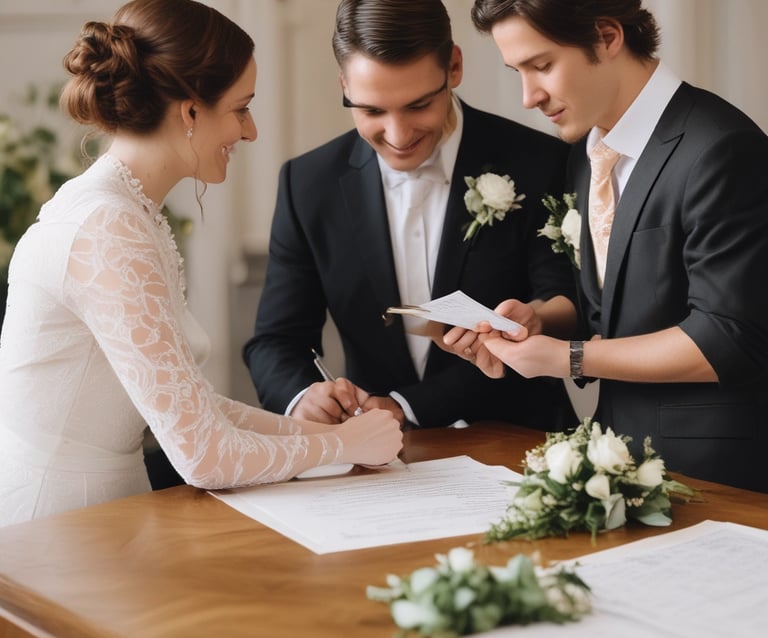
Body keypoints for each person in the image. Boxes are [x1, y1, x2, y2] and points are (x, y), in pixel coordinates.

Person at [0, 0, 402, 528]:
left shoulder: (129, 213)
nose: (251, 131)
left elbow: (197, 408)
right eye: (241, 108)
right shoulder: (106, 227)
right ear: (190, 111)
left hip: (107, 505)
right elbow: (204, 455)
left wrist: (328, 437)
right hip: (57, 520)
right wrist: (339, 445)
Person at [444, 0, 768, 492]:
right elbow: (618, 305)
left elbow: (726, 338)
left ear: (608, 36)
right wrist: (537, 320)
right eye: (517, 71)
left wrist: (566, 357)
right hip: (619, 462)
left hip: (718, 475)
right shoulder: (585, 156)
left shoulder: (720, 148)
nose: (529, 96)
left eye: (542, 65)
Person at [242, 0, 578, 431]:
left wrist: (536, 315)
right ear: (345, 84)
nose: (398, 136)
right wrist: (303, 396)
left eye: (418, 105)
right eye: (372, 111)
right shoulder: (307, 183)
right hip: (377, 460)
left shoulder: (540, 161)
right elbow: (276, 340)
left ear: (453, 67)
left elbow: (565, 301)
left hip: (519, 440)